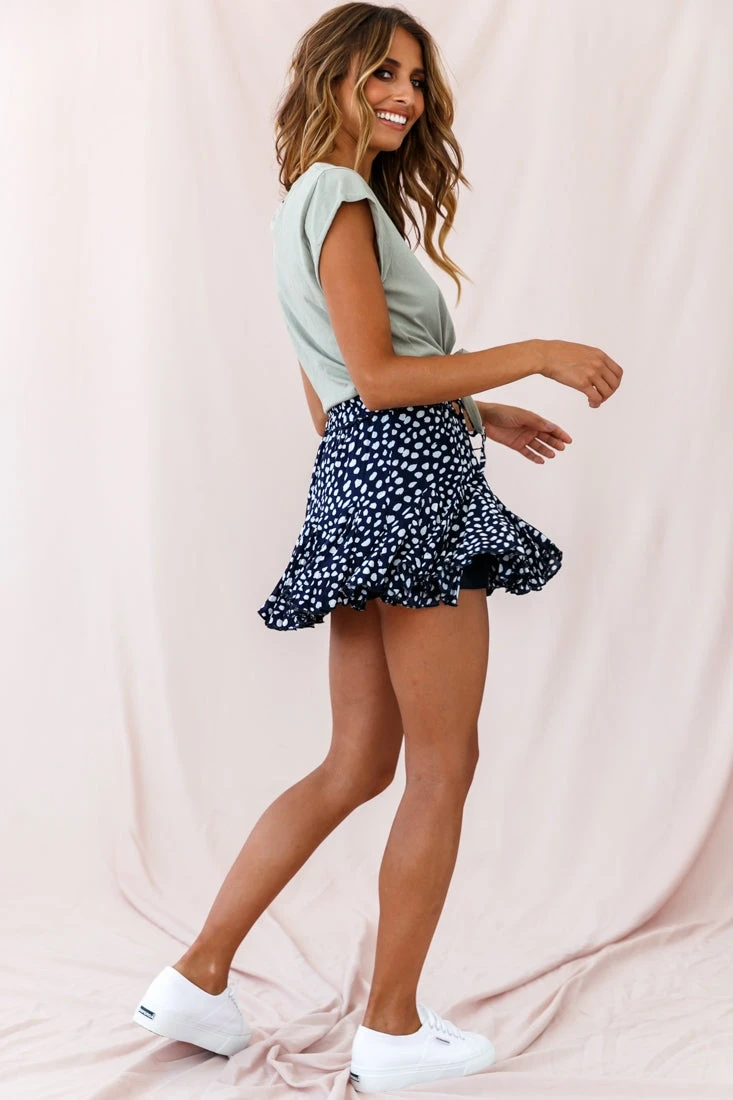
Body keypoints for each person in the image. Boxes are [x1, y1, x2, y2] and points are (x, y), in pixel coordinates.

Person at [131, 3, 623, 1092]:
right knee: (443, 763)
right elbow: (380, 378)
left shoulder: (301, 208)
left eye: (415, 77)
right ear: (334, 78)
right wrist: (532, 353)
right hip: (409, 490)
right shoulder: (342, 197)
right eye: (382, 73)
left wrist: (479, 414)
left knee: (356, 762)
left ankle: (197, 975)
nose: (404, 94)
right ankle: (392, 1027)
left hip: (359, 482)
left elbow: (338, 397)